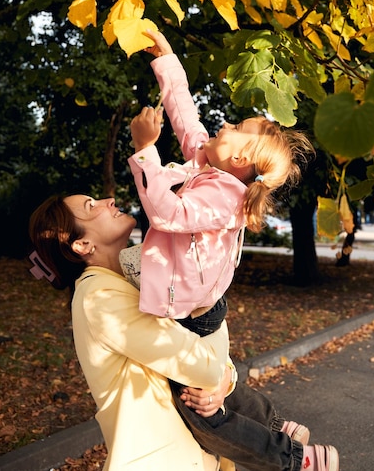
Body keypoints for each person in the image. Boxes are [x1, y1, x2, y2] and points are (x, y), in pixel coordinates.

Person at [122, 30, 339, 471]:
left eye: (236, 129)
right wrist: (166, 60)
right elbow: (186, 119)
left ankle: (294, 459)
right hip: (200, 307)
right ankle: (277, 425)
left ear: (240, 160)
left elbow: (167, 214)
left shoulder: (225, 195)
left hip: (190, 314)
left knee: (200, 410)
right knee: (216, 387)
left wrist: (145, 151)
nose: (223, 126)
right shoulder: (212, 167)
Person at [29, 194, 339, 471]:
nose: (107, 200)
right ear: (82, 245)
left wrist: (222, 381)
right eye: (90, 206)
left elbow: (204, 326)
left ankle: (275, 430)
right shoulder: (99, 297)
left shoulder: (134, 275)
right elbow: (202, 357)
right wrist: (215, 375)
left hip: (195, 454)